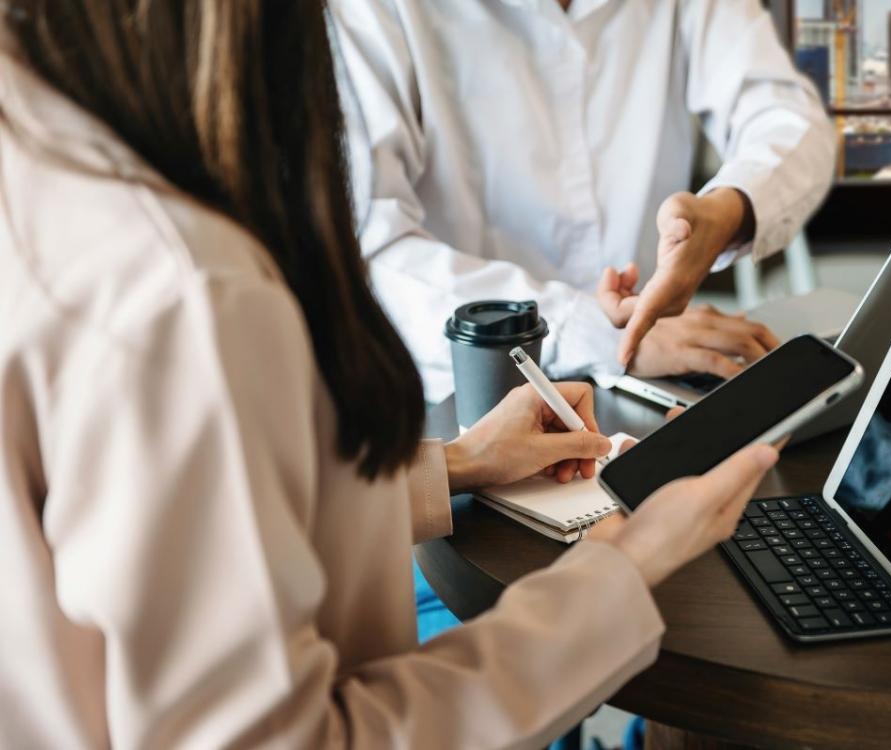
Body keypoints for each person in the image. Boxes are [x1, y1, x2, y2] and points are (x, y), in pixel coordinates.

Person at [0, 3, 780, 747]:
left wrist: (457, 465)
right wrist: (621, 572)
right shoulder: (191, 292)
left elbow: (156, 531)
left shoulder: (41, 178)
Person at [330, 0, 835, 400]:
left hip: (642, 387)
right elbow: (369, 251)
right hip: (449, 403)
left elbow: (787, 117)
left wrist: (730, 209)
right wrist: (594, 331)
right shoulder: (372, 11)